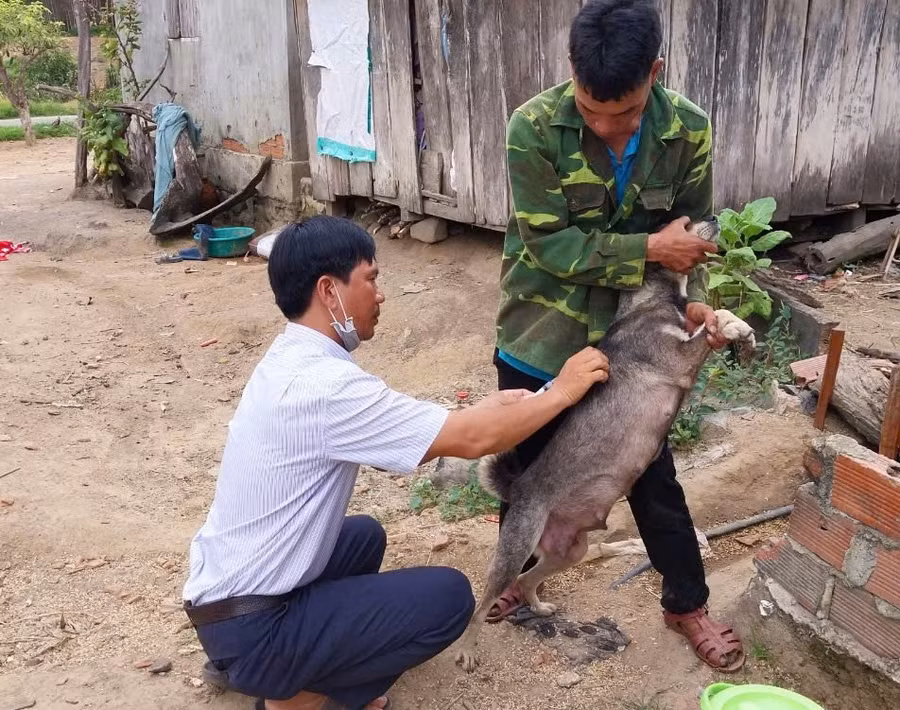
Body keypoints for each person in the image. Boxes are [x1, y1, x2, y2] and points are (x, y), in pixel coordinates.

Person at [181, 216, 610, 710]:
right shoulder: (325, 388)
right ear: (329, 290)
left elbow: (447, 426)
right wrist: (563, 390)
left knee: (364, 535)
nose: (380, 294)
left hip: (221, 605)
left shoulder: (293, 360)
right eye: (371, 278)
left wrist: (502, 408)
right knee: (447, 599)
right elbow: (471, 438)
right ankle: (293, 698)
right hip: (251, 625)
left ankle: (263, 663)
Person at [488, 0, 745, 672]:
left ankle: (685, 602)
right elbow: (548, 243)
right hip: (542, 333)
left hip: (634, 348)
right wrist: (651, 250)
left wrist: (695, 302)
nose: (605, 126)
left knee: (653, 479)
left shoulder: (688, 129)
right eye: (591, 110)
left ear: (654, 73)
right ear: (571, 71)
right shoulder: (533, 127)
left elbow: (698, 233)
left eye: (625, 113)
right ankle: (514, 579)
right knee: (527, 474)